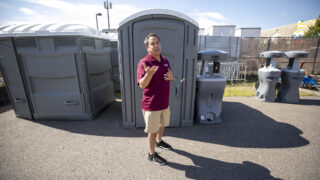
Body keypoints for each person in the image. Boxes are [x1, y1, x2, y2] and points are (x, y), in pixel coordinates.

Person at [136, 33, 174, 165]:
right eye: (152, 43)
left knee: (162, 124)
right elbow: (142, 84)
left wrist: (172, 78)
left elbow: (169, 77)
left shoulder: (165, 61)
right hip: (151, 105)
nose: (156, 45)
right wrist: (148, 75)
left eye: (158, 42)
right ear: (147, 47)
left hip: (164, 103)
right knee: (152, 131)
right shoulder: (144, 63)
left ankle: (159, 141)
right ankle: (151, 154)